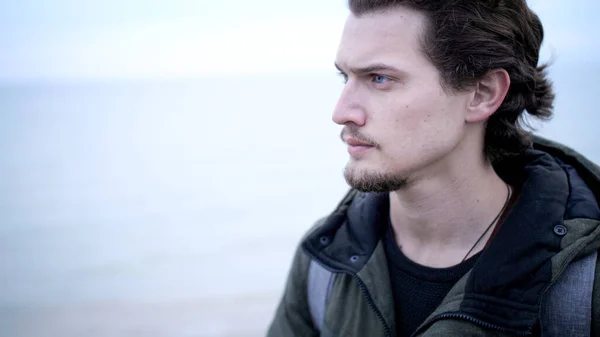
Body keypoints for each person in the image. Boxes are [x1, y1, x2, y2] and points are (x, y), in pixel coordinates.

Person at [267, 0, 600, 336]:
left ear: (482, 94)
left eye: (379, 78)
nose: (342, 112)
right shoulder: (324, 262)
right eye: (345, 77)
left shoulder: (586, 283)